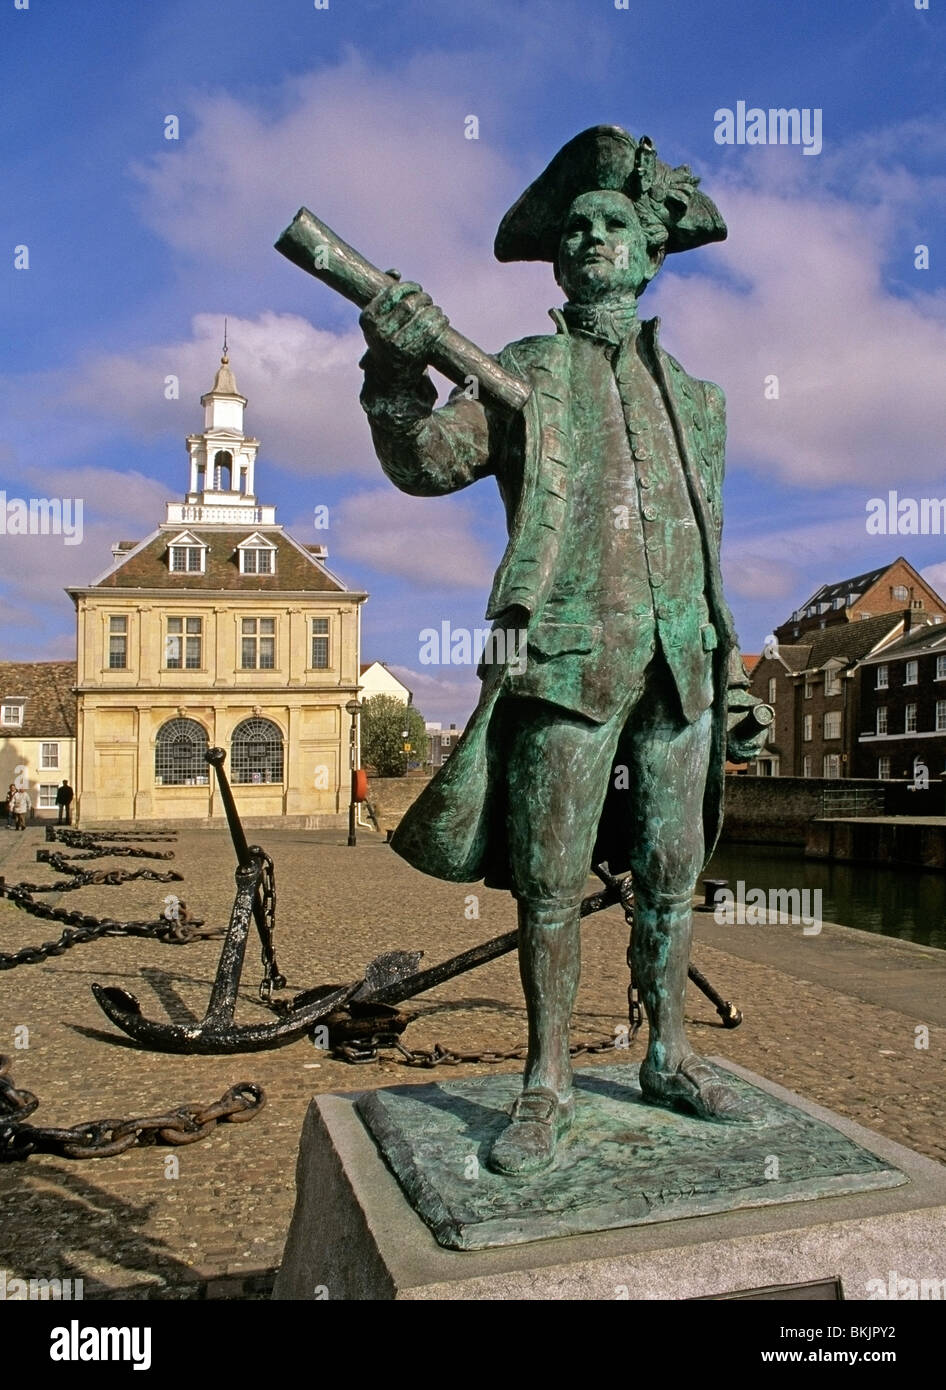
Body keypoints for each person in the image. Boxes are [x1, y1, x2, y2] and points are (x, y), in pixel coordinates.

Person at [358, 125, 768, 1174]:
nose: (591, 234)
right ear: (558, 257)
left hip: (682, 668)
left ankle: (668, 1053)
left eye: (613, 222)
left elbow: (705, 545)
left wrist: (733, 672)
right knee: (547, 884)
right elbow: (423, 463)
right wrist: (393, 359)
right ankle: (544, 1081)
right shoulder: (522, 372)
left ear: (648, 252)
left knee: (673, 878)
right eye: (575, 224)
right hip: (568, 662)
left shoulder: (705, 405)